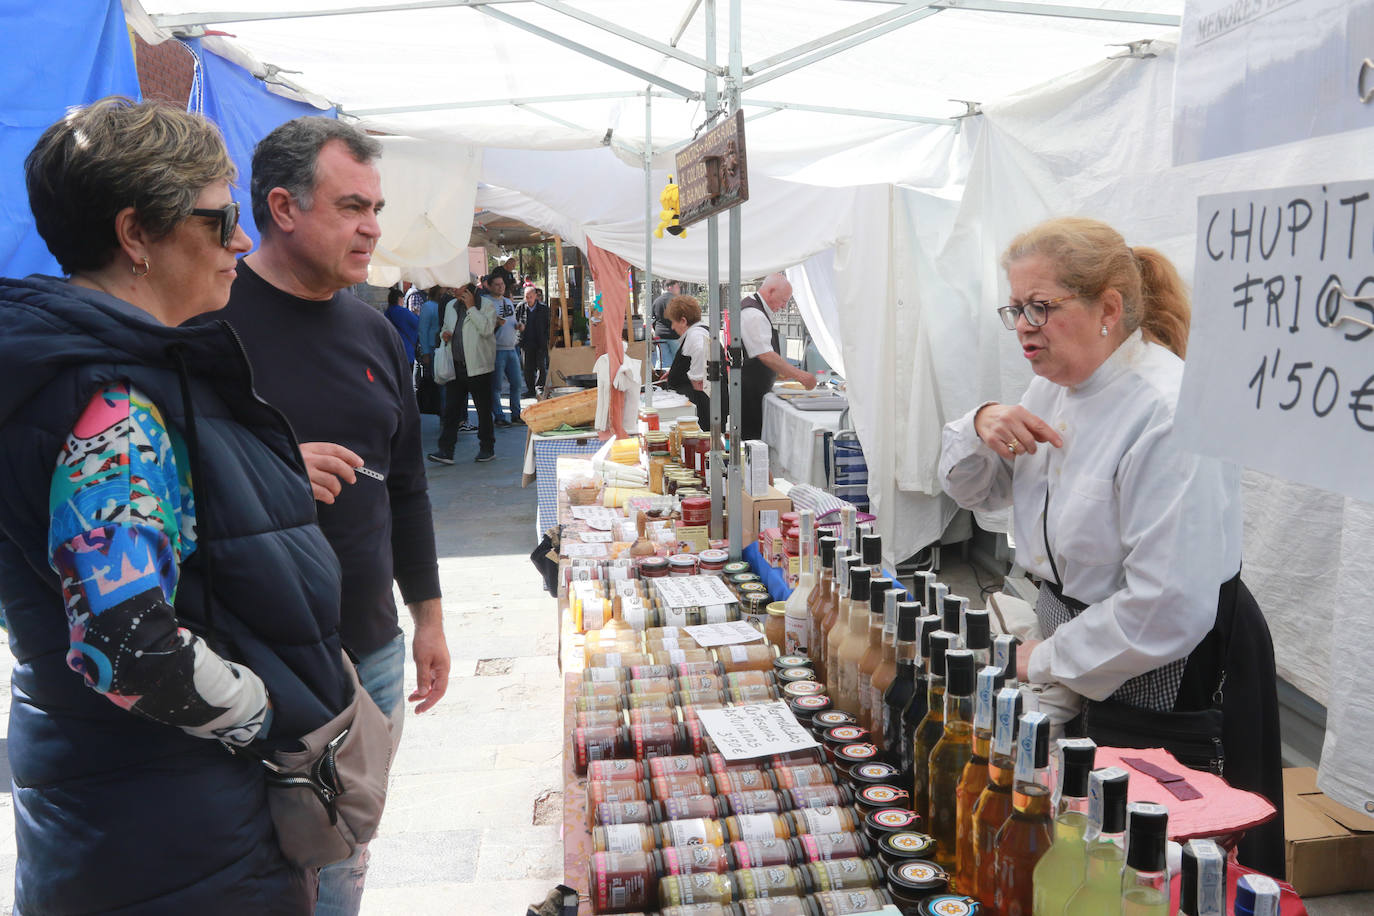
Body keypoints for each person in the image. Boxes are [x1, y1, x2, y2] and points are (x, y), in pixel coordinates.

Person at [0, 97, 355, 913]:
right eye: (220, 218)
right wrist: (264, 713)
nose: (241, 241)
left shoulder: (95, 373)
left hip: (141, 819)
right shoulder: (112, 407)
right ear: (136, 235)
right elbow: (126, 644)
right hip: (168, 833)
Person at [937, 216, 1283, 874]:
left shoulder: (1165, 411)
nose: (1024, 327)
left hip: (1168, 660)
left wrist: (1046, 658)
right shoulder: (1053, 384)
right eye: (1015, 308)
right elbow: (976, 490)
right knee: (1085, 832)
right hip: (1087, 639)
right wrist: (980, 423)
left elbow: (1166, 607)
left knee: (1151, 857)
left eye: (1041, 307)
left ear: (1110, 309)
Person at [216, 116, 451, 914]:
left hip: (371, 651)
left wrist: (428, 618)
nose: (373, 227)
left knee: (346, 853)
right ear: (284, 208)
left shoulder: (376, 332)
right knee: (260, 869)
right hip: (251, 664)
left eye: (375, 208)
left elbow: (407, 487)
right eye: (352, 206)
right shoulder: (210, 324)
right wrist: (274, 469)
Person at [738, 272, 815, 441]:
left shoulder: (755, 309)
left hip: (754, 389)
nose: (783, 306)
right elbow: (765, 355)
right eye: (783, 300)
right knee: (752, 440)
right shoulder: (754, 314)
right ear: (771, 291)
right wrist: (800, 375)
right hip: (749, 393)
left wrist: (779, 373)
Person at [430, 282, 497, 463]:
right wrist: (444, 334)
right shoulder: (451, 305)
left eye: (457, 286)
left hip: (479, 367)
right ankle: (446, 450)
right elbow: (445, 327)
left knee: (483, 410)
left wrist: (471, 308)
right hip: (456, 366)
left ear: (468, 287)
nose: (453, 289)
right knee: (451, 410)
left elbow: (486, 329)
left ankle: (487, 448)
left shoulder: (486, 305)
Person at [664, 293, 712, 428]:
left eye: (673, 322)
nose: (672, 327)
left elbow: (700, 351)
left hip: (700, 410)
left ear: (683, 321)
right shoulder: (696, 333)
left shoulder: (695, 335)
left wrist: (696, 379)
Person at [485, 273, 523, 426]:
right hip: (496, 349)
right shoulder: (486, 302)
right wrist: (495, 324)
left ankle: (516, 414)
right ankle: (499, 416)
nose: (501, 287)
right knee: (496, 386)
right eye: (497, 284)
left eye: (502, 284)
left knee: (517, 383)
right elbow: (483, 326)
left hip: (511, 347)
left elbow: (512, 321)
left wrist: (518, 326)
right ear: (489, 286)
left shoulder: (508, 301)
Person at [520, 285, 550, 398]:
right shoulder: (521, 307)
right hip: (526, 341)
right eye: (526, 297)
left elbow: (548, 324)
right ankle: (530, 390)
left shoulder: (543, 309)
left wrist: (546, 337)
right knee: (527, 367)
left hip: (540, 341)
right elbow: (517, 321)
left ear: (535, 296)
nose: (528, 299)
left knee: (540, 366)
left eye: (530, 297)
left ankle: (539, 389)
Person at [384, 285, 419, 365]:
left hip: (391, 350)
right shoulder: (404, 312)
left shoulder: (387, 313)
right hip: (406, 350)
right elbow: (417, 324)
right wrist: (416, 314)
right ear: (399, 298)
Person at [651, 279, 682, 369]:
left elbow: (652, 318)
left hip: (660, 335)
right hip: (674, 334)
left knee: (662, 361)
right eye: (677, 287)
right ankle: (675, 377)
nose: (679, 289)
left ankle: (661, 376)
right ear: (670, 287)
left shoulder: (657, 301)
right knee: (677, 360)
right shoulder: (676, 301)